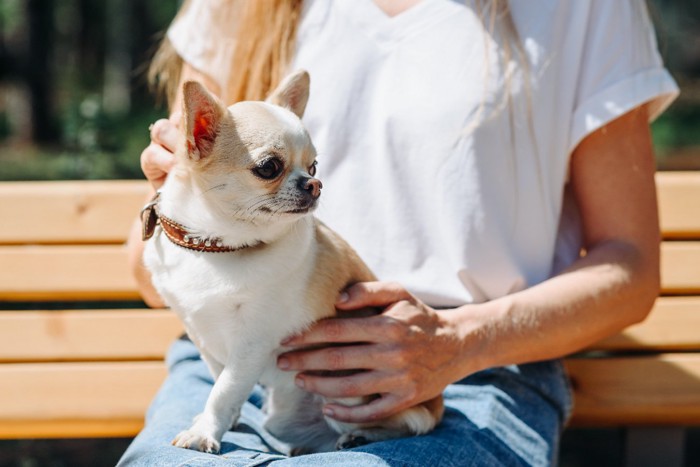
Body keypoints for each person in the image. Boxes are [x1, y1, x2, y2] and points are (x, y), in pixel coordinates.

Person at [119, 0, 679, 465]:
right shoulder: (241, 7)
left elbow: (629, 268)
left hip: (464, 380)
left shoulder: (582, 10)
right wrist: (174, 210)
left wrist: (458, 341)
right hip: (222, 359)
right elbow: (146, 275)